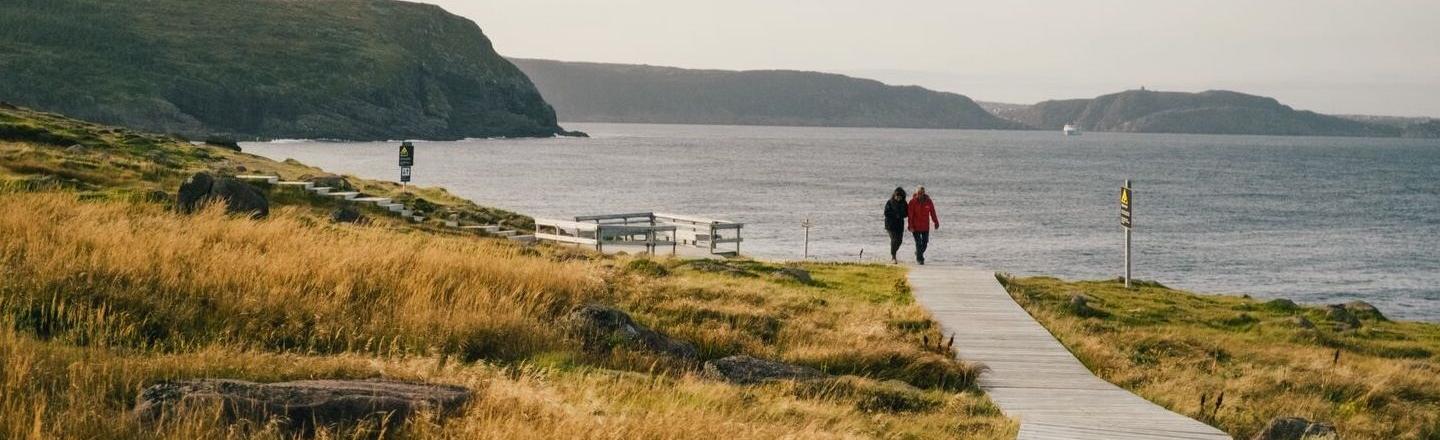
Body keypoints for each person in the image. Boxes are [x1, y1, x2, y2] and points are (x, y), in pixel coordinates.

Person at [907, 186, 939, 265]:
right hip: (915, 227)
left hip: (925, 226)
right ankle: (920, 259)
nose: (920, 195)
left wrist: (936, 222)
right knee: (918, 243)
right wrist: (910, 226)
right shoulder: (912, 202)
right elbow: (910, 215)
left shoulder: (929, 201)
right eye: (919, 193)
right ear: (916, 193)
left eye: (922, 193)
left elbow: (933, 212)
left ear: (924, 193)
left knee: (925, 243)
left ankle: (918, 253)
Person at [883, 187, 909, 264]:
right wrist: (896, 215)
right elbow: (886, 213)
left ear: (902, 196)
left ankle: (893, 252)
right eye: (897, 196)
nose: (898, 198)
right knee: (894, 240)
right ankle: (893, 257)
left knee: (900, 241)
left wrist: (900, 215)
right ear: (894, 195)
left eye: (900, 196)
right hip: (890, 225)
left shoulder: (904, 203)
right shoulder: (890, 202)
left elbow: (906, 214)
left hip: (899, 225)